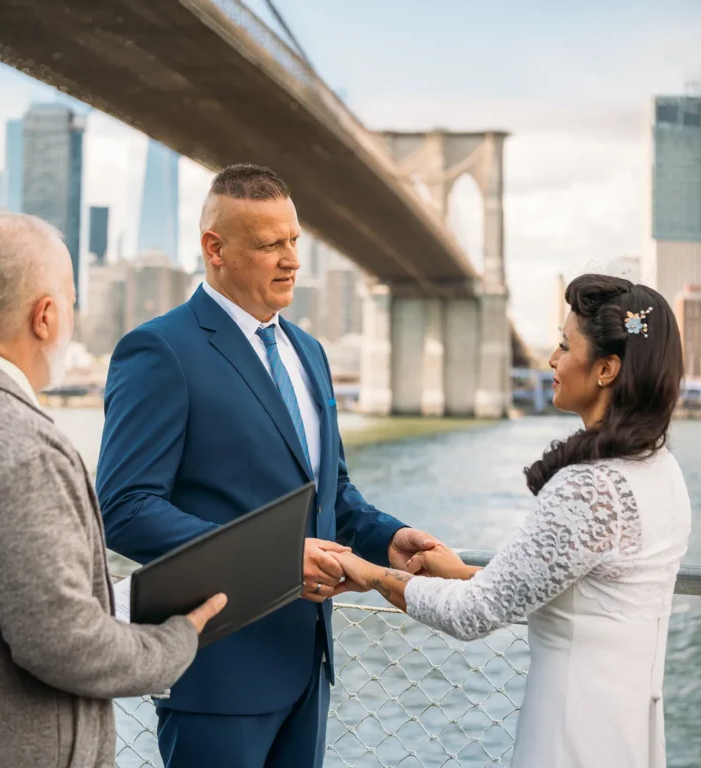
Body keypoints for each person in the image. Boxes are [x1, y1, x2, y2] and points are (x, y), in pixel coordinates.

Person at [96, 164, 440, 767]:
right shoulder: (159, 350)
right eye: (269, 244)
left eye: (294, 241)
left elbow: (330, 492)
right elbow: (124, 510)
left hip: (308, 667)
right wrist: (272, 563)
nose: (291, 260)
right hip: (217, 674)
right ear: (215, 249)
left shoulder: (309, 352)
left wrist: (388, 537)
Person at [335, 274, 691, 768]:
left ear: (607, 368)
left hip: (571, 733)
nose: (552, 360)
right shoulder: (660, 469)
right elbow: (584, 596)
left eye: (565, 346)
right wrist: (461, 571)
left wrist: (370, 574)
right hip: (630, 729)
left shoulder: (591, 487)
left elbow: (473, 613)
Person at [0, 213, 227, 768]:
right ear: (45, 317)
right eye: (70, 302)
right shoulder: (26, 452)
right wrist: (175, 640)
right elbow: (64, 644)